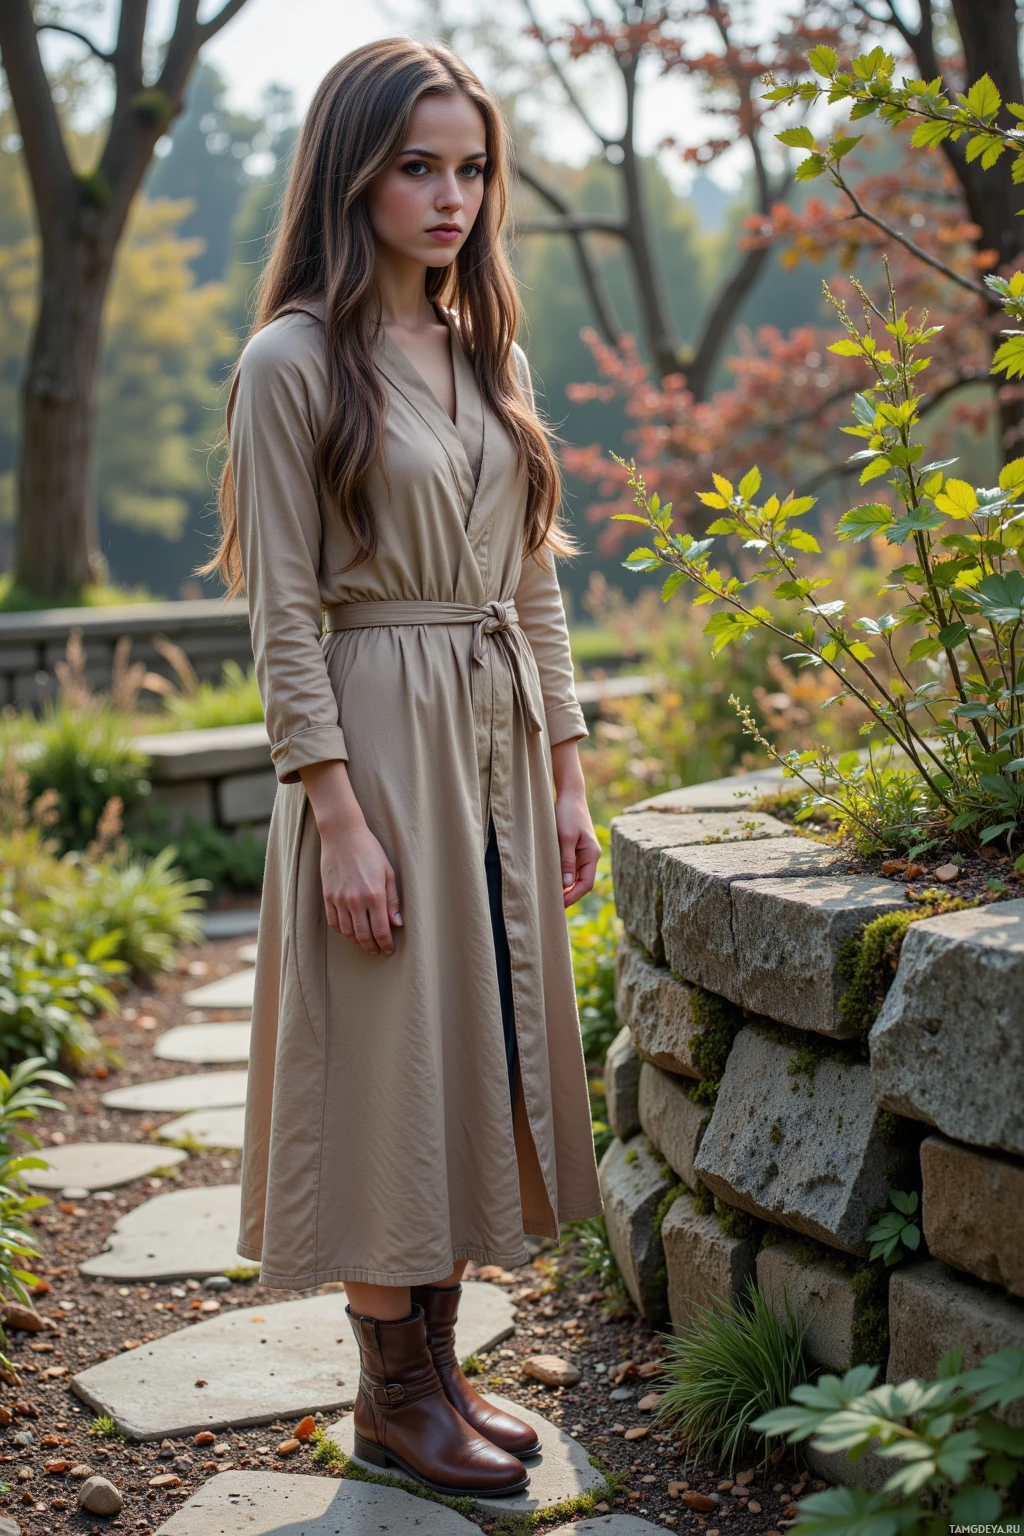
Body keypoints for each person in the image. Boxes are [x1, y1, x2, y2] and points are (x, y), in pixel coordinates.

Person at [200, 35, 604, 1499]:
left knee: (473, 1040)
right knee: (389, 1052)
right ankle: (390, 1392)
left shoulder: (487, 349)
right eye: (420, 166)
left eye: (472, 168)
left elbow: (535, 579)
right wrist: (335, 814)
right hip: (376, 737)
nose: (452, 196)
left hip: (493, 730)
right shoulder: (293, 362)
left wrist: (567, 764)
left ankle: (435, 1367)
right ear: (353, 173)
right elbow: (284, 610)